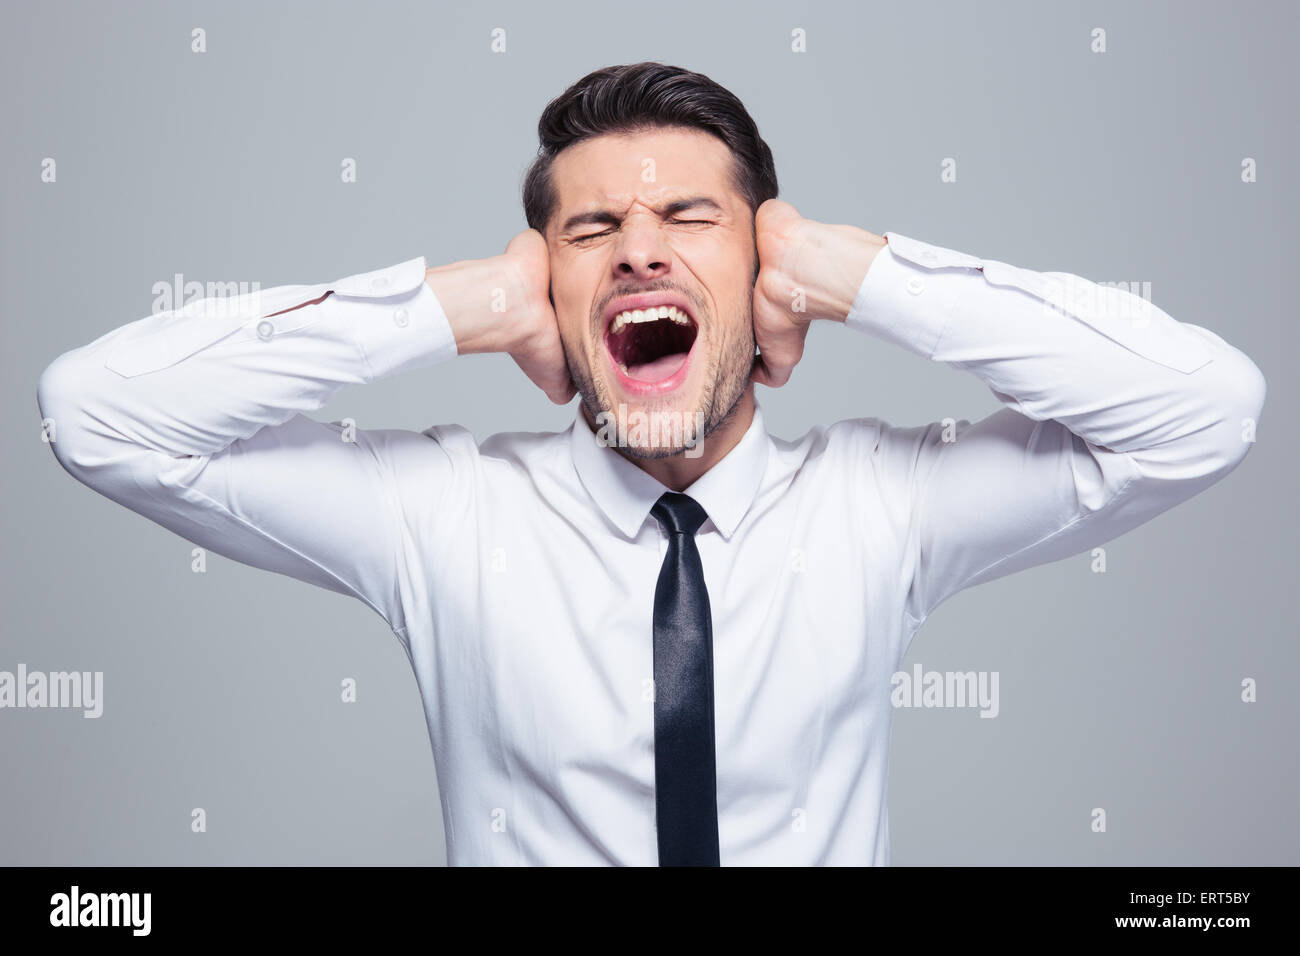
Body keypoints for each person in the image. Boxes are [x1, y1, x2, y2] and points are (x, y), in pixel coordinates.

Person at [36, 62, 1265, 866]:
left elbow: (1202, 410)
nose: (637, 252)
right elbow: (96, 415)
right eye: (588, 231)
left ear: (760, 271)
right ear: (549, 290)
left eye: (689, 219)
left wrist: (856, 270)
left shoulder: (880, 504)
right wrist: (454, 301)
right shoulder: (444, 516)